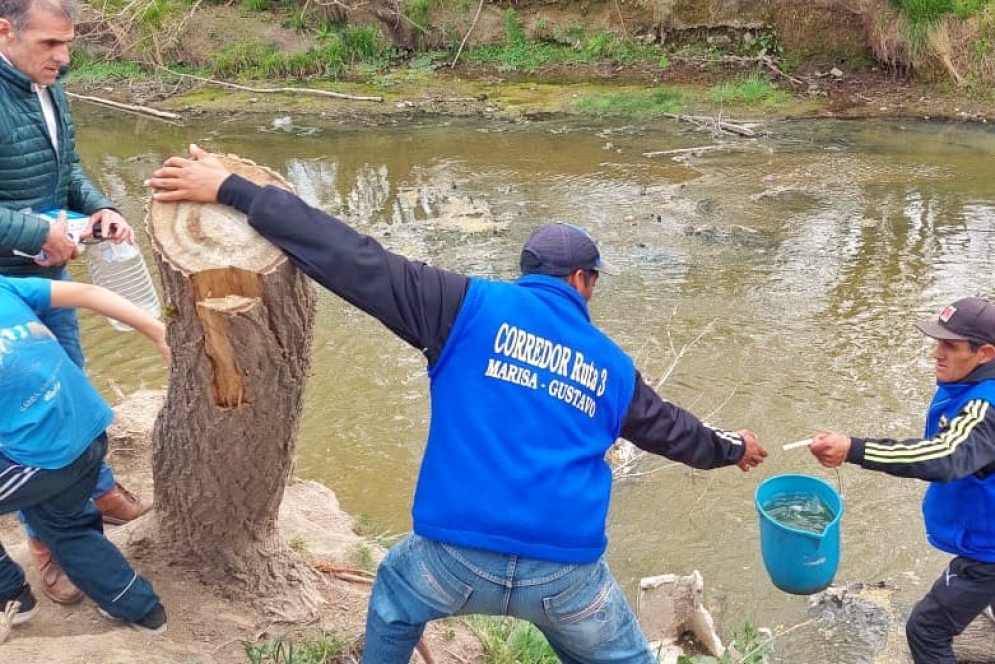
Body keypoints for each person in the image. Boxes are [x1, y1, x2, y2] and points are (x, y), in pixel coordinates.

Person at [147, 144, 769, 662]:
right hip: (566, 577)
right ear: (584, 281)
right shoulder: (612, 366)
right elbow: (676, 433)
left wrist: (235, 189)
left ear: (527, 272)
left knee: (393, 598)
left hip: (449, 563)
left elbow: (349, 257)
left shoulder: (460, 307)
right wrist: (734, 449)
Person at [0, 0, 151, 605]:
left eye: (67, 45)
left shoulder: (48, 89)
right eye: (48, 44)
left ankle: (99, 487)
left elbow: (68, 173)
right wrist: (39, 234)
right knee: (31, 424)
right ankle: (51, 547)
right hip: (9, 291)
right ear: (3, 29)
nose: (62, 59)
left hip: (52, 269)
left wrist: (100, 208)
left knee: (75, 389)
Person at [808, 296, 995, 664]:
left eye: (950, 346)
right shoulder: (968, 385)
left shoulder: (985, 408)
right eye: (937, 342)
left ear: (985, 353)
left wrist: (853, 449)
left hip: (988, 552)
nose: (936, 353)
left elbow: (944, 455)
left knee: (925, 630)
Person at [0, 275, 168, 633]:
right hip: (90, 427)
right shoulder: (4, 286)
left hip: (48, 459)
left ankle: (9, 596)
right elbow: (89, 292)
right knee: (66, 517)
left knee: (66, 530)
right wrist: (157, 331)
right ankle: (130, 602)